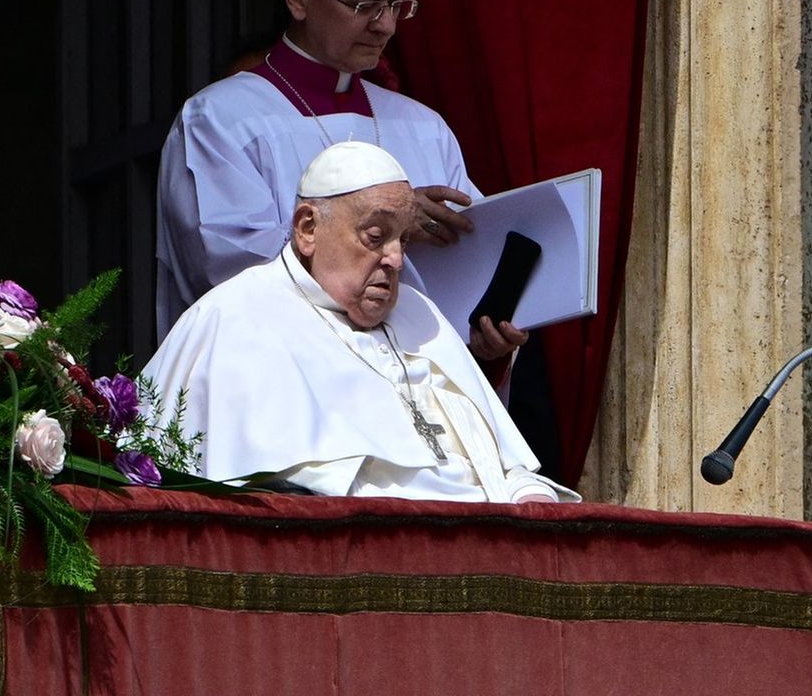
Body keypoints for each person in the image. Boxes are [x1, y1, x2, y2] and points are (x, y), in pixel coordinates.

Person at [155, 0, 527, 371]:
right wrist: (384, 225)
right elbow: (233, 270)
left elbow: (468, 271)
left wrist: (485, 335)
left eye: (396, 5)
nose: (386, 25)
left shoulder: (424, 128)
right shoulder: (221, 121)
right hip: (292, 385)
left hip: (417, 396)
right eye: (365, 5)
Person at [145, 142, 578, 504]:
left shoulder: (419, 313)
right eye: (375, 237)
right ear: (308, 229)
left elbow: (501, 463)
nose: (396, 259)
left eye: (403, 239)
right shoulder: (236, 317)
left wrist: (526, 492)